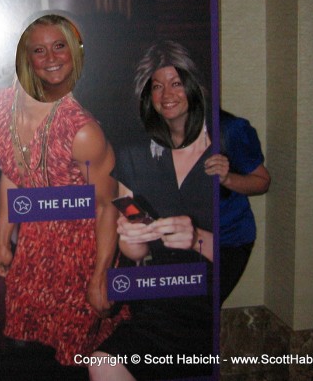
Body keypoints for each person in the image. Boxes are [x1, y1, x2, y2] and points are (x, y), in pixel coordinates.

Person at [0, 14, 123, 371]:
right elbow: (11, 173)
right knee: (26, 353)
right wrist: (3, 239)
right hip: (32, 250)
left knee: (74, 360)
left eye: (59, 46)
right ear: (25, 57)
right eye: (39, 49)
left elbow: (107, 206)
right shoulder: (2, 108)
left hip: (79, 254)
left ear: (74, 52)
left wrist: (101, 276)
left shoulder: (82, 131)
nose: (51, 57)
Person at [89, 40, 214, 381]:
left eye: (176, 82)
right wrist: (133, 237)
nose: (167, 94)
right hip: (161, 305)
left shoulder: (223, 154)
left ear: (196, 86)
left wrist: (196, 240)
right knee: (102, 362)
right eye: (156, 86)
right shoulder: (133, 156)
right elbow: (137, 249)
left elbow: (243, 252)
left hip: (218, 302)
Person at [206, 109, 270, 303]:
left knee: (201, 314)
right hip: (178, 243)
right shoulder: (157, 129)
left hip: (227, 240)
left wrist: (226, 178)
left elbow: (262, 181)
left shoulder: (228, 128)